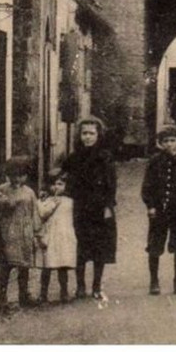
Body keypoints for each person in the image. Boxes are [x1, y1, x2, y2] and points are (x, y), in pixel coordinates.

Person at [61, 117, 116, 301]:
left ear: (98, 135)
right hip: (79, 207)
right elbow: (65, 178)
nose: (88, 137)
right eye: (84, 133)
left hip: (99, 207)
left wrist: (108, 206)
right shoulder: (73, 157)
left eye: (91, 133)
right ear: (80, 135)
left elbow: (111, 184)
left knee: (100, 248)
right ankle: (80, 285)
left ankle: (97, 285)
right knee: (80, 247)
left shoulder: (105, 157)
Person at [141, 125, 176, 295]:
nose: (170, 144)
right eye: (166, 141)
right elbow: (147, 186)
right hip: (159, 211)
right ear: (160, 143)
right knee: (155, 245)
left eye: (173, 141)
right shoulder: (154, 162)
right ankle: (154, 281)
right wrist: (151, 206)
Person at [0, 156, 42, 312]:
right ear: (8, 175)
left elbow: (35, 212)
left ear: (26, 176)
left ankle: (23, 295)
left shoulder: (29, 192)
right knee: (5, 267)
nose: (17, 179)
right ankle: (2, 298)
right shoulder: (2, 189)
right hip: (7, 233)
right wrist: (6, 202)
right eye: (13, 175)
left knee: (23, 267)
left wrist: (37, 232)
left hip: (24, 234)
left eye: (21, 175)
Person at [36, 170, 77, 305]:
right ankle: (43, 294)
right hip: (50, 237)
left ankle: (64, 292)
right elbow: (41, 214)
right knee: (47, 266)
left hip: (64, 237)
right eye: (53, 184)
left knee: (62, 266)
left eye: (60, 184)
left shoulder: (69, 201)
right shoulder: (46, 201)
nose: (56, 187)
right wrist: (51, 203)